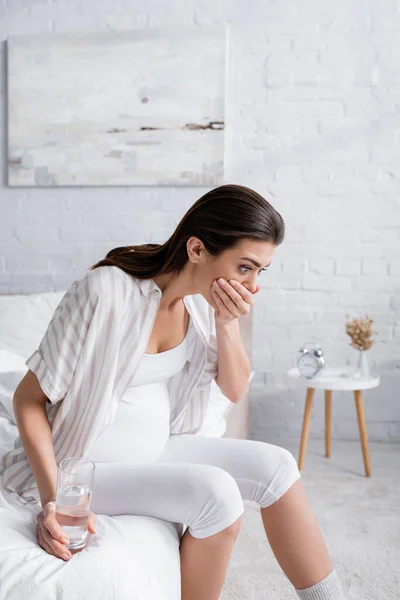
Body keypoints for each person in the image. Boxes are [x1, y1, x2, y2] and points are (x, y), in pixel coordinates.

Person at [4, 184, 346, 600]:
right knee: (216, 496)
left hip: (156, 448)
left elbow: (234, 390)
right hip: (85, 466)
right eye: (245, 267)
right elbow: (28, 399)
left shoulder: (202, 305)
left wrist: (226, 323)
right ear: (197, 249)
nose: (253, 286)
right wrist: (55, 500)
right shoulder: (106, 291)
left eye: (261, 271)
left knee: (277, 465)